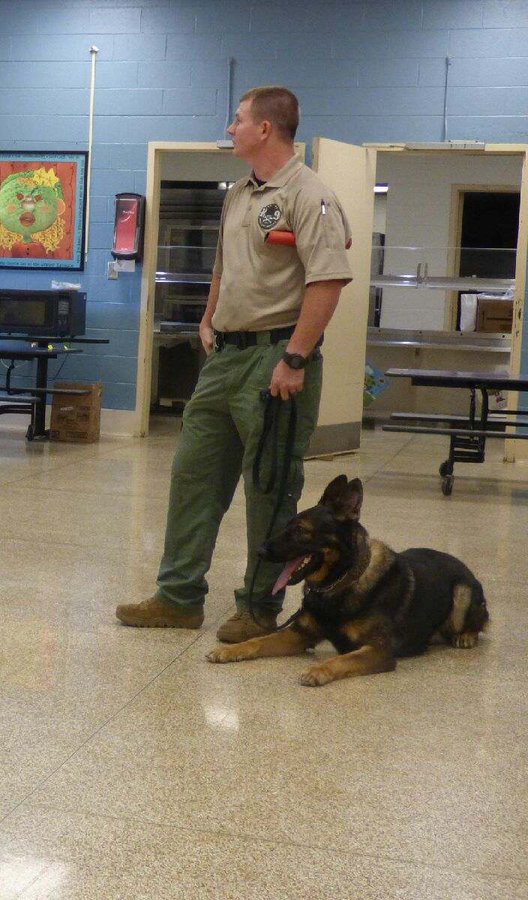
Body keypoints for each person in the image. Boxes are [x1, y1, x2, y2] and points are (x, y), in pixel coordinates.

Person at [117, 86, 352, 642]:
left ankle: (257, 609)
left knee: (269, 488)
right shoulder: (239, 195)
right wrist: (208, 318)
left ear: (266, 128)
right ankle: (178, 598)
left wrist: (295, 356)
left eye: (238, 119)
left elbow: (329, 280)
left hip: (278, 358)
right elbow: (225, 267)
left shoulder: (309, 193)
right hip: (225, 357)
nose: (230, 128)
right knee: (192, 476)